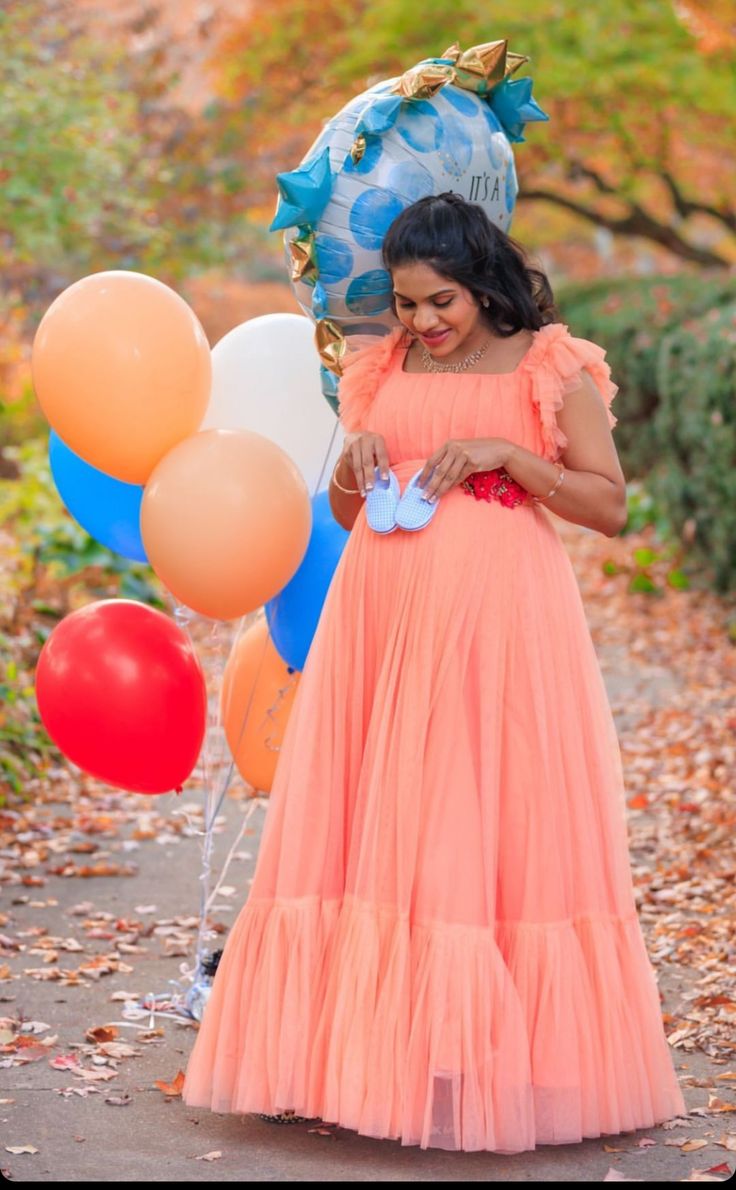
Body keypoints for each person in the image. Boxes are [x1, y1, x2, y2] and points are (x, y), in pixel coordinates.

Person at [183, 192, 685, 1152]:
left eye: (440, 301)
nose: (423, 323)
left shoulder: (551, 365)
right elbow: (340, 510)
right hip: (383, 616)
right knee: (382, 820)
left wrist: (508, 454)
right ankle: (362, 1060)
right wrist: (354, 461)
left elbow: (610, 506)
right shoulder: (381, 367)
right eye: (408, 304)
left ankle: (478, 1064)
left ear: (485, 281)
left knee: (474, 822)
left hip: (497, 621)